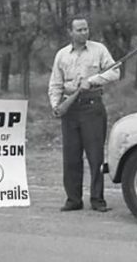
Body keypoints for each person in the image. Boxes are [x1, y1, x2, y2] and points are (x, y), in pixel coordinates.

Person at [48, 16, 120, 213]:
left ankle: (97, 199)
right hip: (70, 109)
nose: (83, 33)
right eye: (79, 30)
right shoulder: (61, 55)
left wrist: (94, 80)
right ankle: (73, 199)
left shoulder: (99, 50)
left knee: (95, 156)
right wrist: (56, 105)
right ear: (70, 33)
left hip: (92, 107)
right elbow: (55, 83)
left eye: (86, 29)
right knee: (71, 157)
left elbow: (115, 72)